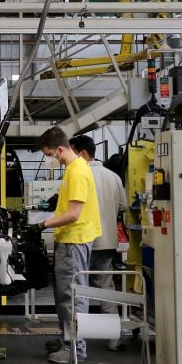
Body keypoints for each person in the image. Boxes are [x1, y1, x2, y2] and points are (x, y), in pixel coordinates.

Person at [36, 126, 102, 364]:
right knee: (64, 294)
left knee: (72, 297)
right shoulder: (72, 169)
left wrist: (43, 225)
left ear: (60, 149)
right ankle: (67, 339)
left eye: (49, 154)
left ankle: (75, 348)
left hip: (75, 240)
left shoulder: (76, 172)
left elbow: (74, 214)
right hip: (70, 239)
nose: (48, 159)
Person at [69, 135, 128, 351]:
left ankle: (77, 341)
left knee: (77, 288)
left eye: (71, 151)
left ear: (83, 153)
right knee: (106, 288)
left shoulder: (78, 174)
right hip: (107, 242)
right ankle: (114, 339)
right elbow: (123, 206)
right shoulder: (113, 177)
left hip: (81, 240)